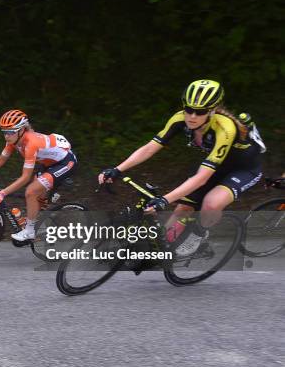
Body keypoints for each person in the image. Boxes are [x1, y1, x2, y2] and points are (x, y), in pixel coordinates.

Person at [99, 79, 265, 256]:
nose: (192, 116)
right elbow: (150, 147)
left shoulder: (225, 128)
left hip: (243, 169)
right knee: (183, 209)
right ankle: (161, 251)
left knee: (210, 203)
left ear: (213, 111)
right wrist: (117, 169)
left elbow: (202, 178)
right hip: (216, 164)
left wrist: (164, 200)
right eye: (188, 109)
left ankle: (200, 236)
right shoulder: (179, 119)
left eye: (200, 112)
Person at [0, 110, 77, 242]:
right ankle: (41, 221)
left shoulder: (31, 143)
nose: (6, 136)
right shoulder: (13, 140)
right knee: (38, 198)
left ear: (21, 130)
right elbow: (1, 159)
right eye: (4, 132)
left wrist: (2, 194)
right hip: (49, 164)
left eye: (10, 132)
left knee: (31, 191)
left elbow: (25, 178)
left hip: (66, 162)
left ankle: (30, 231)